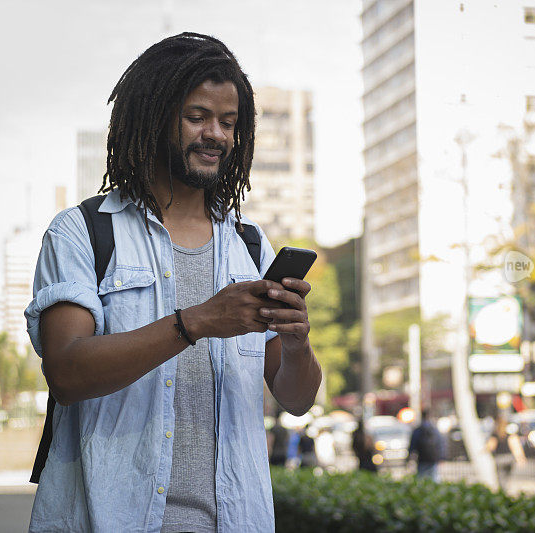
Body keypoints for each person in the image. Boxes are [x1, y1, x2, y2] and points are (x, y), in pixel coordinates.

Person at [25, 33, 322, 533]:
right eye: (197, 116)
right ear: (154, 115)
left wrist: (296, 345)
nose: (217, 135)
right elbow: (67, 373)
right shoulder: (83, 232)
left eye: (229, 123)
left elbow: (296, 399)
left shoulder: (249, 247)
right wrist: (197, 322)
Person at [408, 409, 445, 482]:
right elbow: (441, 443)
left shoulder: (418, 430)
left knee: (420, 479)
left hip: (422, 459)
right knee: (434, 479)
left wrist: (409, 457)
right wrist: (441, 456)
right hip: (433, 459)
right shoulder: (434, 429)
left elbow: (412, 445)